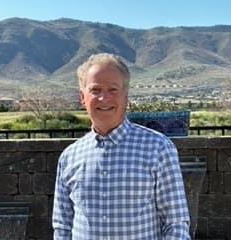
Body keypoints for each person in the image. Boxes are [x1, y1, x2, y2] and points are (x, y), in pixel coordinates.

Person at [52, 53, 191, 239]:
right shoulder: (69, 157)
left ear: (125, 95)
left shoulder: (158, 148)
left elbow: (176, 224)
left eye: (113, 89)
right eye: (95, 90)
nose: (104, 98)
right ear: (82, 97)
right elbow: (62, 227)